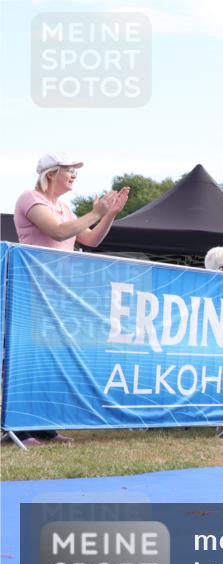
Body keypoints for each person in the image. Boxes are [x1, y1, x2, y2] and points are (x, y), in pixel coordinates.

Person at [13, 153, 130, 446]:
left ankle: (45, 428)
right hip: (31, 292)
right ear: (51, 173)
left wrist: (109, 214)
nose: (75, 174)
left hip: (58, 294)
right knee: (27, 361)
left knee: (51, 362)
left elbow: (90, 240)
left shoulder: (64, 207)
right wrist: (95, 212)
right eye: (70, 170)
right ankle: (18, 430)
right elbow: (58, 232)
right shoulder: (30, 198)